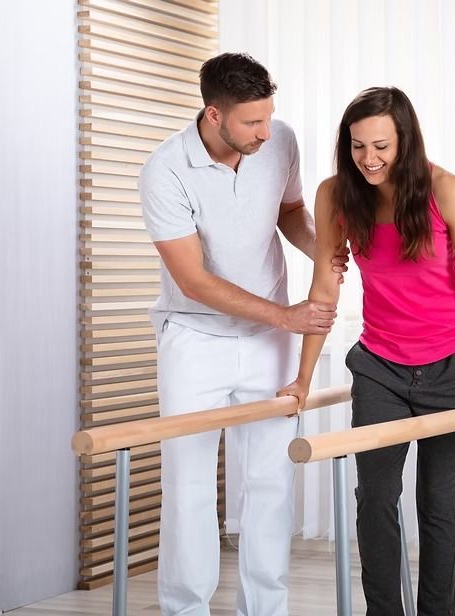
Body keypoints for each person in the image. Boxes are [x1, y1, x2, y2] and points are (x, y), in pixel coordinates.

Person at [278, 86, 455, 616]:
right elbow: (325, 292)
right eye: (357, 146)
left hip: (454, 368)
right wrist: (301, 379)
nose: (368, 159)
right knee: (374, 498)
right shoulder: (335, 195)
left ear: (406, 142)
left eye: (381, 146)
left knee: (439, 507)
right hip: (381, 368)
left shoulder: (446, 191)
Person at [139, 52, 346, 616]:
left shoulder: (279, 141)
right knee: (188, 486)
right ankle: (185, 609)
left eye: (269, 117)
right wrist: (287, 317)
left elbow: (292, 211)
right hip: (194, 338)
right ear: (213, 115)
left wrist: (324, 249)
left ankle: (266, 609)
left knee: (271, 481)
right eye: (252, 122)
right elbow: (194, 280)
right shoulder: (165, 170)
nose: (265, 131)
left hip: (268, 342)